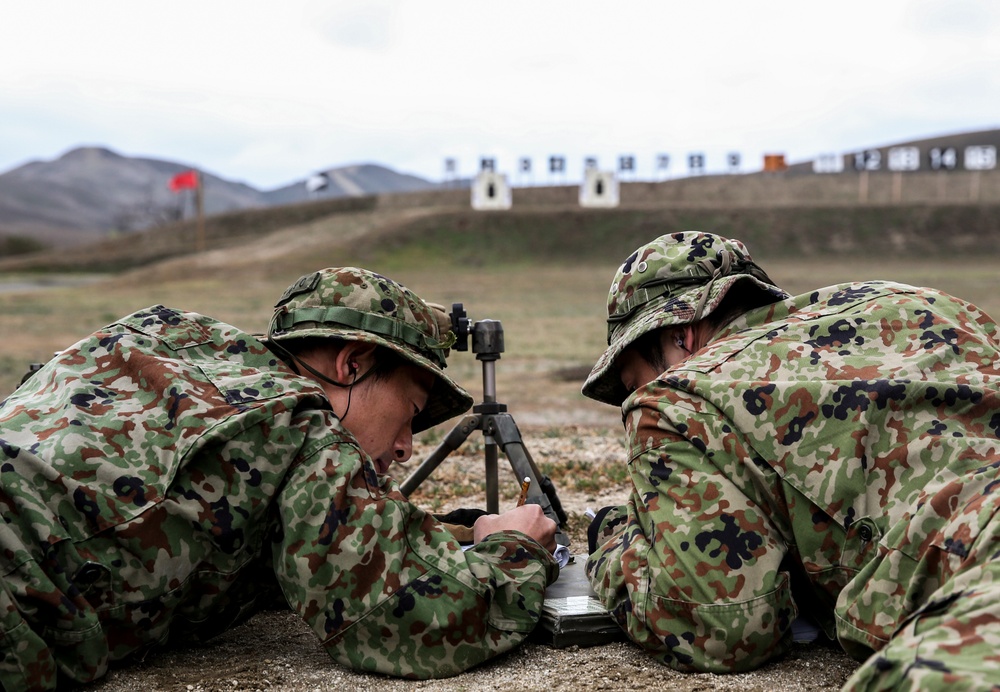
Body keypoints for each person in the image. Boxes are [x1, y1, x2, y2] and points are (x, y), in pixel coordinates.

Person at [0, 267, 558, 691]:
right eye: (409, 412)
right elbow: (408, 622)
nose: (406, 445)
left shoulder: (158, 340)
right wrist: (513, 549)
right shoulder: (299, 424)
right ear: (353, 364)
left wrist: (449, 532)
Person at [582, 231, 1000, 690]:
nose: (635, 396)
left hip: (977, 558)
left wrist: (613, 539)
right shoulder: (918, 302)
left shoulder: (679, 396)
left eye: (632, 381)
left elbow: (718, 626)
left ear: (681, 336)